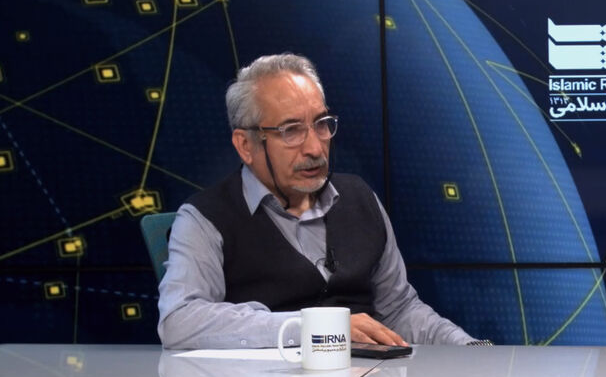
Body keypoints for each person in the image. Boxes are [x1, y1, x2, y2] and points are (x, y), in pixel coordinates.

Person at [158, 53, 481, 349]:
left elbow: (399, 310)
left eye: (321, 125)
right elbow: (179, 321)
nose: (314, 148)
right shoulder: (204, 219)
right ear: (246, 145)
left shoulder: (360, 198)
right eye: (291, 130)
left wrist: (471, 351)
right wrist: (316, 328)